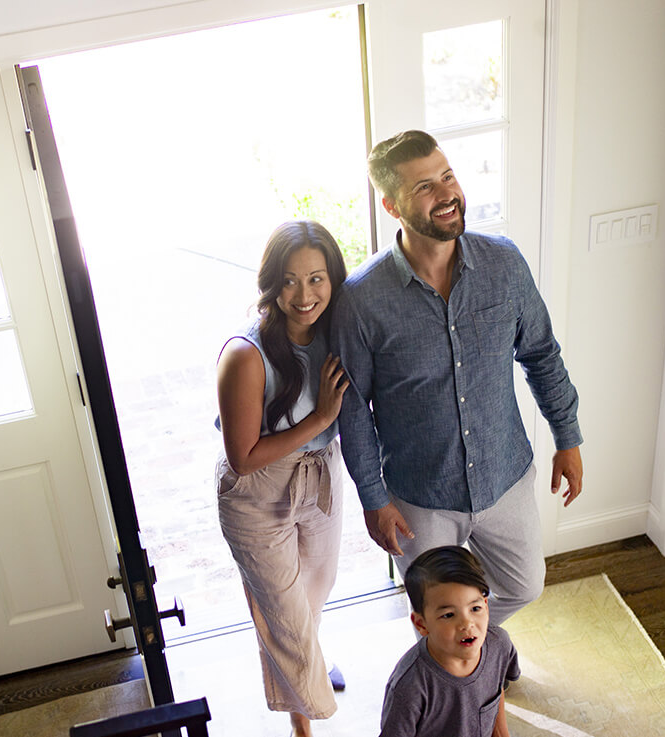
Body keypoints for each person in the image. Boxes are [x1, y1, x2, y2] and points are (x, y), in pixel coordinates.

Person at [331, 129, 583, 624]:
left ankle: (471, 651)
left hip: (504, 475)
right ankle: (445, 667)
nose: (447, 194)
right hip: (419, 496)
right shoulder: (361, 300)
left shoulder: (504, 264)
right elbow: (353, 409)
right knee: (435, 615)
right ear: (391, 205)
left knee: (525, 585)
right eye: (424, 186)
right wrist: (373, 500)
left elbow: (541, 354)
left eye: (447, 176)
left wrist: (567, 437)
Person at [215, 219, 350, 737]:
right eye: (290, 281)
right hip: (258, 492)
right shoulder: (244, 355)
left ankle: (302, 688)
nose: (304, 295)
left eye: (316, 279)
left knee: (311, 600)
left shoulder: (337, 333)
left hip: (320, 474)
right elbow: (243, 457)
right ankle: (308, 717)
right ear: (271, 282)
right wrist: (320, 418)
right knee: (286, 619)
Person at [379, 546, 520, 737]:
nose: (467, 624)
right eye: (448, 615)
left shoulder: (499, 645)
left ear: (486, 606)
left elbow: (496, 692)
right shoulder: (409, 688)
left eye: (475, 608)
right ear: (421, 624)